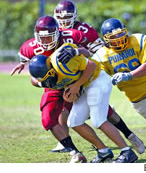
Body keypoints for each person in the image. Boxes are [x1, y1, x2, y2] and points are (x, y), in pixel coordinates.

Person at [53, 0, 144, 154]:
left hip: (90, 75)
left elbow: (99, 51)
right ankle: (66, 143)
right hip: (71, 77)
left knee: (103, 114)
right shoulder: (54, 31)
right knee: (66, 111)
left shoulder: (84, 30)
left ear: (74, 16)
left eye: (67, 17)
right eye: (60, 18)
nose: (63, 21)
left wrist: (80, 55)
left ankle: (129, 135)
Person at [28, 43, 138, 163]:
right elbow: (39, 82)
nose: (47, 83)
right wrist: (71, 92)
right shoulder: (45, 79)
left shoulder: (62, 62)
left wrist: (76, 85)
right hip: (85, 87)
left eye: (47, 78)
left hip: (97, 80)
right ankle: (103, 152)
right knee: (74, 122)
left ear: (50, 70)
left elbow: (91, 65)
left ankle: (127, 152)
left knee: (98, 121)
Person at [10, 15, 99, 162]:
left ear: (57, 33)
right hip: (52, 86)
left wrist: (76, 51)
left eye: (49, 37)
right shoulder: (30, 47)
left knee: (101, 113)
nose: (45, 42)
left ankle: (121, 141)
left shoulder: (69, 37)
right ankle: (75, 153)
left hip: (74, 81)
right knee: (47, 120)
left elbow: (87, 53)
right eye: (42, 38)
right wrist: (38, 79)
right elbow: (30, 67)